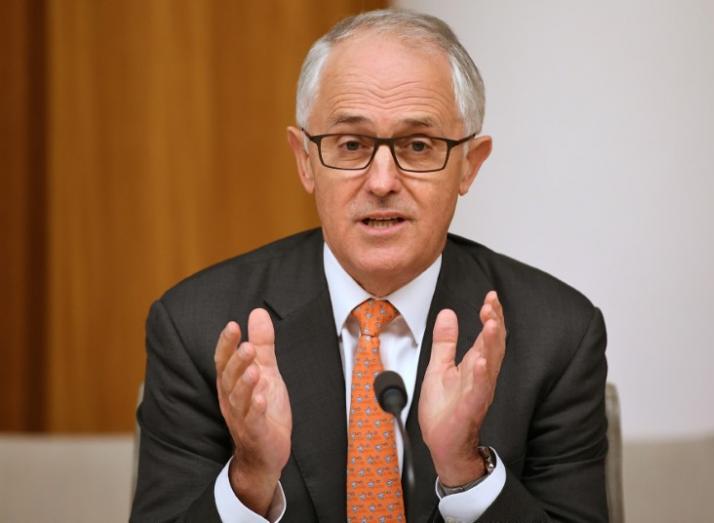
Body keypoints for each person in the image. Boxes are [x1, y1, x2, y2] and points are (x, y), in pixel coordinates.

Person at [130, 9, 608, 523]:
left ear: (469, 164)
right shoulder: (198, 327)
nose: (382, 181)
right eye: (352, 145)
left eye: (418, 146)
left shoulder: (556, 334)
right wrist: (249, 478)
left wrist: (465, 470)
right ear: (305, 161)